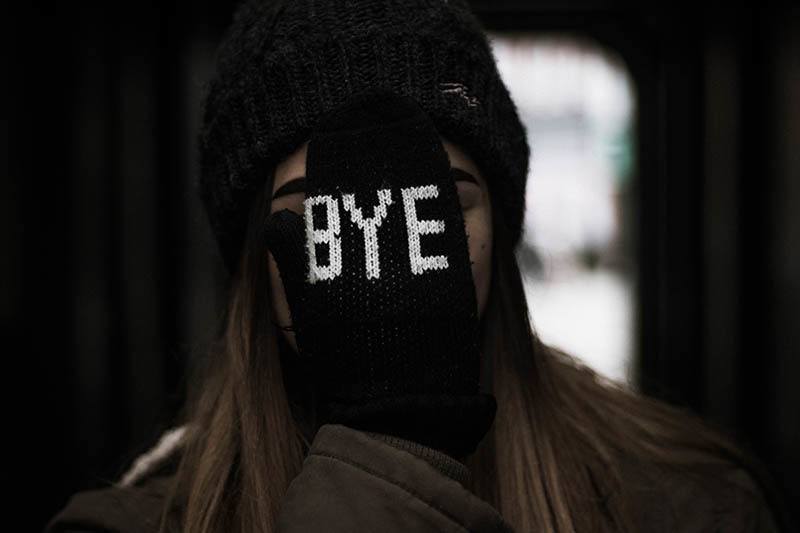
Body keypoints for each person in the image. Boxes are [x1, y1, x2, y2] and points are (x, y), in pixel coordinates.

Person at [46, 0, 789, 532]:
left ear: (501, 226)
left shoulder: (687, 504)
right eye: (322, 213)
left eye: (431, 207)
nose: (386, 262)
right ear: (252, 258)